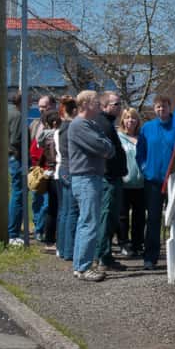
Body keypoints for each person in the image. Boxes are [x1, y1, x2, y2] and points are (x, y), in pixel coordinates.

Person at [69, 90, 115, 282]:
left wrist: (106, 146)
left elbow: (108, 147)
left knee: (86, 222)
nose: (99, 106)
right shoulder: (79, 125)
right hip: (86, 178)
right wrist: (106, 146)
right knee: (89, 223)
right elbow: (102, 146)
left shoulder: (90, 124)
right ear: (86, 104)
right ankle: (84, 266)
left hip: (90, 178)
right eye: (96, 102)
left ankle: (81, 265)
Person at [137, 95, 175, 271]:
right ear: (154, 109)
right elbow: (140, 152)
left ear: (170, 108)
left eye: (164, 106)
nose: (161, 110)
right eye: (158, 107)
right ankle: (150, 257)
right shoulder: (147, 128)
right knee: (153, 219)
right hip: (153, 180)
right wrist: (146, 168)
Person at [94, 92, 127, 271]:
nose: (119, 107)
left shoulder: (108, 123)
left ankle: (105, 255)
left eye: (119, 103)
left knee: (110, 217)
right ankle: (103, 256)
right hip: (109, 177)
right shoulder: (103, 124)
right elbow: (107, 152)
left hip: (113, 176)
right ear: (105, 106)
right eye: (115, 104)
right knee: (107, 217)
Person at [117, 107, 145, 258]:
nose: (130, 121)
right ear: (123, 120)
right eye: (127, 117)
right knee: (122, 216)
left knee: (139, 216)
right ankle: (123, 243)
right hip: (123, 183)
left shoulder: (142, 137)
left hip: (140, 183)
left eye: (133, 118)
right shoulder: (118, 137)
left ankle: (137, 243)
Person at [30, 94, 58, 241]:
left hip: (52, 170)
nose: (41, 109)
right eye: (40, 106)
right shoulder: (36, 124)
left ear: (53, 105)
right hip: (39, 169)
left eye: (45, 106)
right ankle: (38, 227)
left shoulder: (58, 124)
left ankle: (42, 229)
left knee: (48, 203)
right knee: (36, 200)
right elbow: (33, 148)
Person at [55, 96, 79, 262]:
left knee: (63, 211)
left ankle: (62, 248)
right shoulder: (71, 128)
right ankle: (69, 250)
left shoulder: (60, 128)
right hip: (70, 169)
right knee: (72, 211)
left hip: (61, 169)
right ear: (75, 111)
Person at [35, 110, 62, 247]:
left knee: (52, 207)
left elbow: (38, 144)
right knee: (62, 207)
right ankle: (61, 238)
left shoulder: (44, 135)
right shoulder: (59, 134)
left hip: (49, 171)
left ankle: (49, 238)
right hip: (59, 170)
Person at [7, 91, 27, 245]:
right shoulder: (18, 116)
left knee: (16, 193)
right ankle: (13, 232)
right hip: (17, 157)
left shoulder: (8, 111)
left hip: (8, 156)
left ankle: (12, 229)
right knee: (18, 194)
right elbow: (16, 139)